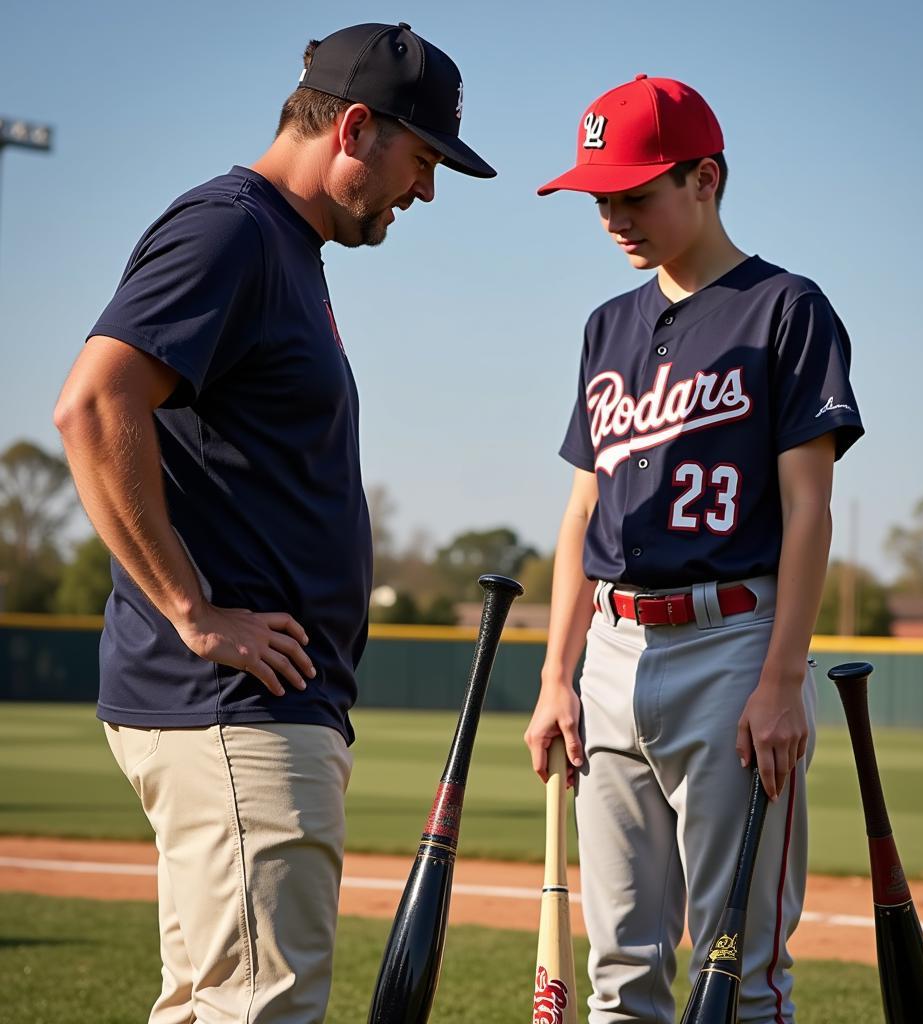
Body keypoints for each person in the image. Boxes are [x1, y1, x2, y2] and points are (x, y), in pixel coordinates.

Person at [54, 22, 494, 1024]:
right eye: (422, 159)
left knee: (216, 1006)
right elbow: (91, 404)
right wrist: (193, 609)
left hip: (246, 710)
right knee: (258, 1008)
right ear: (352, 127)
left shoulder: (280, 246)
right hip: (233, 707)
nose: (424, 190)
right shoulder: (234, 230)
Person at [524, 75, 863, 1024]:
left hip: (734, 647)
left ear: (706, 178)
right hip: (613, 655)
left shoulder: (786, 310)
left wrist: (783, 678)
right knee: (620, 978)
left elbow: (809, 510)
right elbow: (581, 512)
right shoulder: (607, 326)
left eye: (637, 193)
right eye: (602, 199)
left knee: (740, 976)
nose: (615, 217)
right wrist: (558, 674)